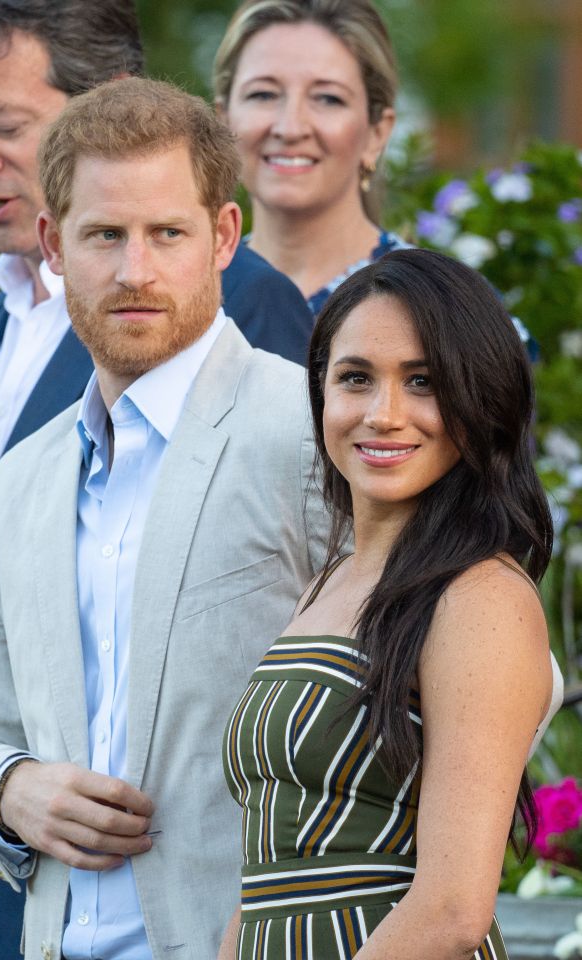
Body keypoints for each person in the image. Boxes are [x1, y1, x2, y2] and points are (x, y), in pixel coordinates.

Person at [0, 1, 314, 955]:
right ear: (58, 248)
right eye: (104, 237)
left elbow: (449, 678)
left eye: (167, 235)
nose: (137, 269)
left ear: (223, 237)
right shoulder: (23, 474)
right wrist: (12, 792)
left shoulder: (315, 430)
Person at [219, 248, 556, 959]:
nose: (384, 414)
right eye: (356, 379)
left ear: (478, 398)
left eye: (423, 382)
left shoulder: (480, 597)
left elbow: (453, 910)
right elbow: (262, 878)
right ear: (321, 395)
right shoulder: (330, 582)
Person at [213, 0, 405, 321]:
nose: (290, 128)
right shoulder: (175, 296)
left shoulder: (445, 307)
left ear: (376, 133)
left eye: (328, 98)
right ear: (224, 121)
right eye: (263, 94)